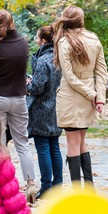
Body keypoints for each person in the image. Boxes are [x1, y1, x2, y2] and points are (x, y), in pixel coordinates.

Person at [0, 10, 38, 202]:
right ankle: (30, 183)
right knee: (22, 143)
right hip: (19, 97)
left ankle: (3, 186)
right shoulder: (23, 43)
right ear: (12, 23)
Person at [53, 6, 108, 187]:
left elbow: (69, 77)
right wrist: (98, 96)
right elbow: (102, 72)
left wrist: (94, 95)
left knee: (73, 143)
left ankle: (77, 191)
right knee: (81, 141)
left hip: (71, 96)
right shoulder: (94, 39)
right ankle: (89, 188)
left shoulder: (64, 42)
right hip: (87, 97)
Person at [27, 25, 63, 198]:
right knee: (54, 147)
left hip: (41, 109)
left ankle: (47, 187)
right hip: (56, 107)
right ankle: (58, 185)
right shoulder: (59, 58)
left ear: (42, 40)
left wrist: (28, 84)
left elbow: (37, 87)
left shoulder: (43, 61)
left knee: (43, 148)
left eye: (36, 37)